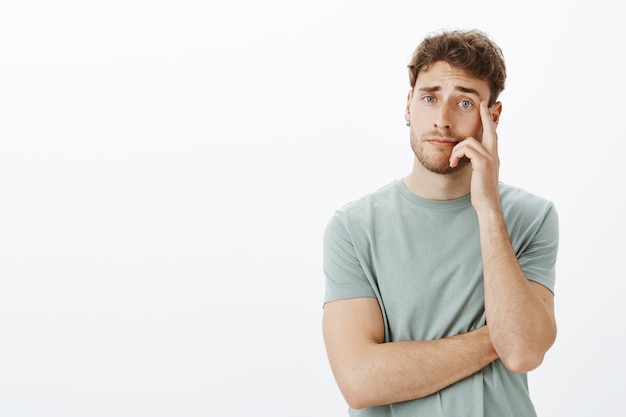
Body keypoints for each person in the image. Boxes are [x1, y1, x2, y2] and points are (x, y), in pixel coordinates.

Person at [322, 29, 559, 417]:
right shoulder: (353, 227)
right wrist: (496, 337)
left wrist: (488, 210)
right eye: (429, 98)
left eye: (464, 102)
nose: (443, 121)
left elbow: (521, 353)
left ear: (493, 117)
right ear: (408, 106)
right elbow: (359, 381)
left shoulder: (532, 217)